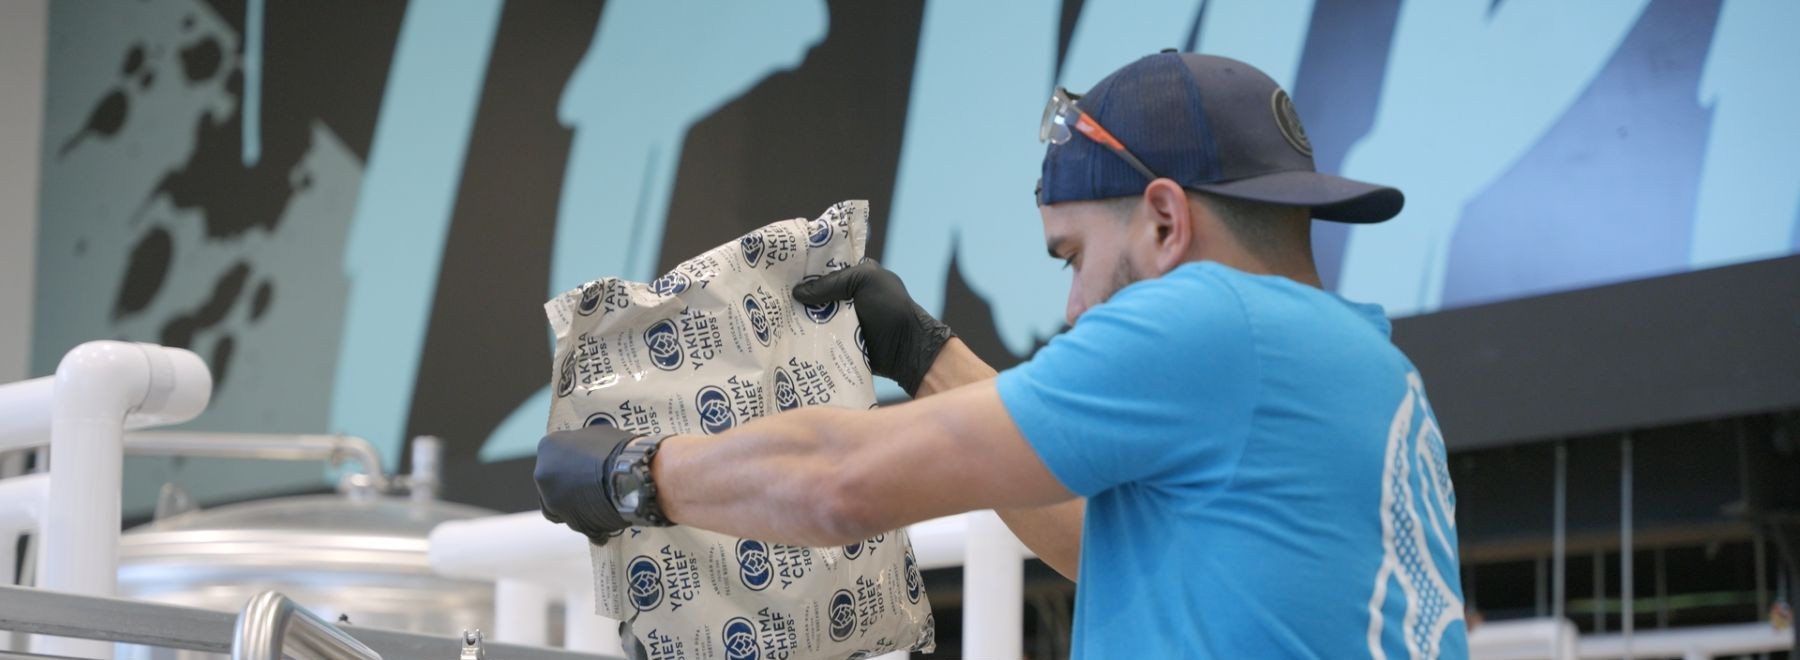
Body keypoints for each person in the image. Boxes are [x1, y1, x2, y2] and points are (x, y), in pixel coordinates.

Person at [535, 51, 1469, 659]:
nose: (1071, 307)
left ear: (1165, 218)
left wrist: (633, 473)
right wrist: (929, 354)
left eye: (1073, 256)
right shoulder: (1362, 369)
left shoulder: (1213, 322)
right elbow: (1088, 543)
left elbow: (838, 483)